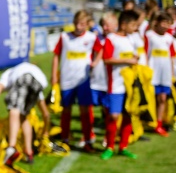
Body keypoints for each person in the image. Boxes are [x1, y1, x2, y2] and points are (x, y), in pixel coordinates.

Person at [51, 10, 98, 150]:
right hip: (67, 79)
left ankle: (88, 140)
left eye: (82, 24)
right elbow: (56, 55)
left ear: (87, 24)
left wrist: (95, 63)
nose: (79, 27)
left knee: (85, 110)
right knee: (66, 110)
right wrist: (54, 74)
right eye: (77, 23)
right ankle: (65, 139)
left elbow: (101, 50)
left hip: (84, 80)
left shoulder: (91, 37)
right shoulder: (64, 37)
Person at [0, 61, 51, 165]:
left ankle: (11, 148)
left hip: (25, 78)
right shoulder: (37, 75)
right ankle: (29, 152)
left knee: (14, 110)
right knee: (23, 117)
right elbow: (46, 114)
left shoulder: (11, 72)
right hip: (40, 84)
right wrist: (45, 131)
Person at [101, 10, 140, 160]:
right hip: (115, 84)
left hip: (130, 85)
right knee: (113, 116)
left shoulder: (132, 39)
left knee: (128, 115)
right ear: (123, 25)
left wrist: (135, 59)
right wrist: (127, 61)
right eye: (133, 25)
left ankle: (123, 147)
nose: (135, 28)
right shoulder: (111, 39)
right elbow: (107, 59)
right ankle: (110, 146)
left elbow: (136, 56)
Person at [88, 12, 118, 149]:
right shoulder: (95, 38)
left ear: (115, 25)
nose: (104, 28)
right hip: (95, 79)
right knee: (89, 107)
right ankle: (88, 134)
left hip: (110, 82)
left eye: (107, 25)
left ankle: (108, 136)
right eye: (103, 25)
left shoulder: (118, 39)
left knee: (108, 111)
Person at [144, 11, 176, 137]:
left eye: (168, 23)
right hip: (153, 73)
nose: (165, 26)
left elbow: (172, 56)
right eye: (163, 22)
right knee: (150, 99)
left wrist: (172, 73)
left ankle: (158, 124)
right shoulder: (149, 35)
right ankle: (147, 122)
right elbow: (145, 54)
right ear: (157, 23)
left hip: (165, 74)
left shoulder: (169, 38)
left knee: (162, 98)